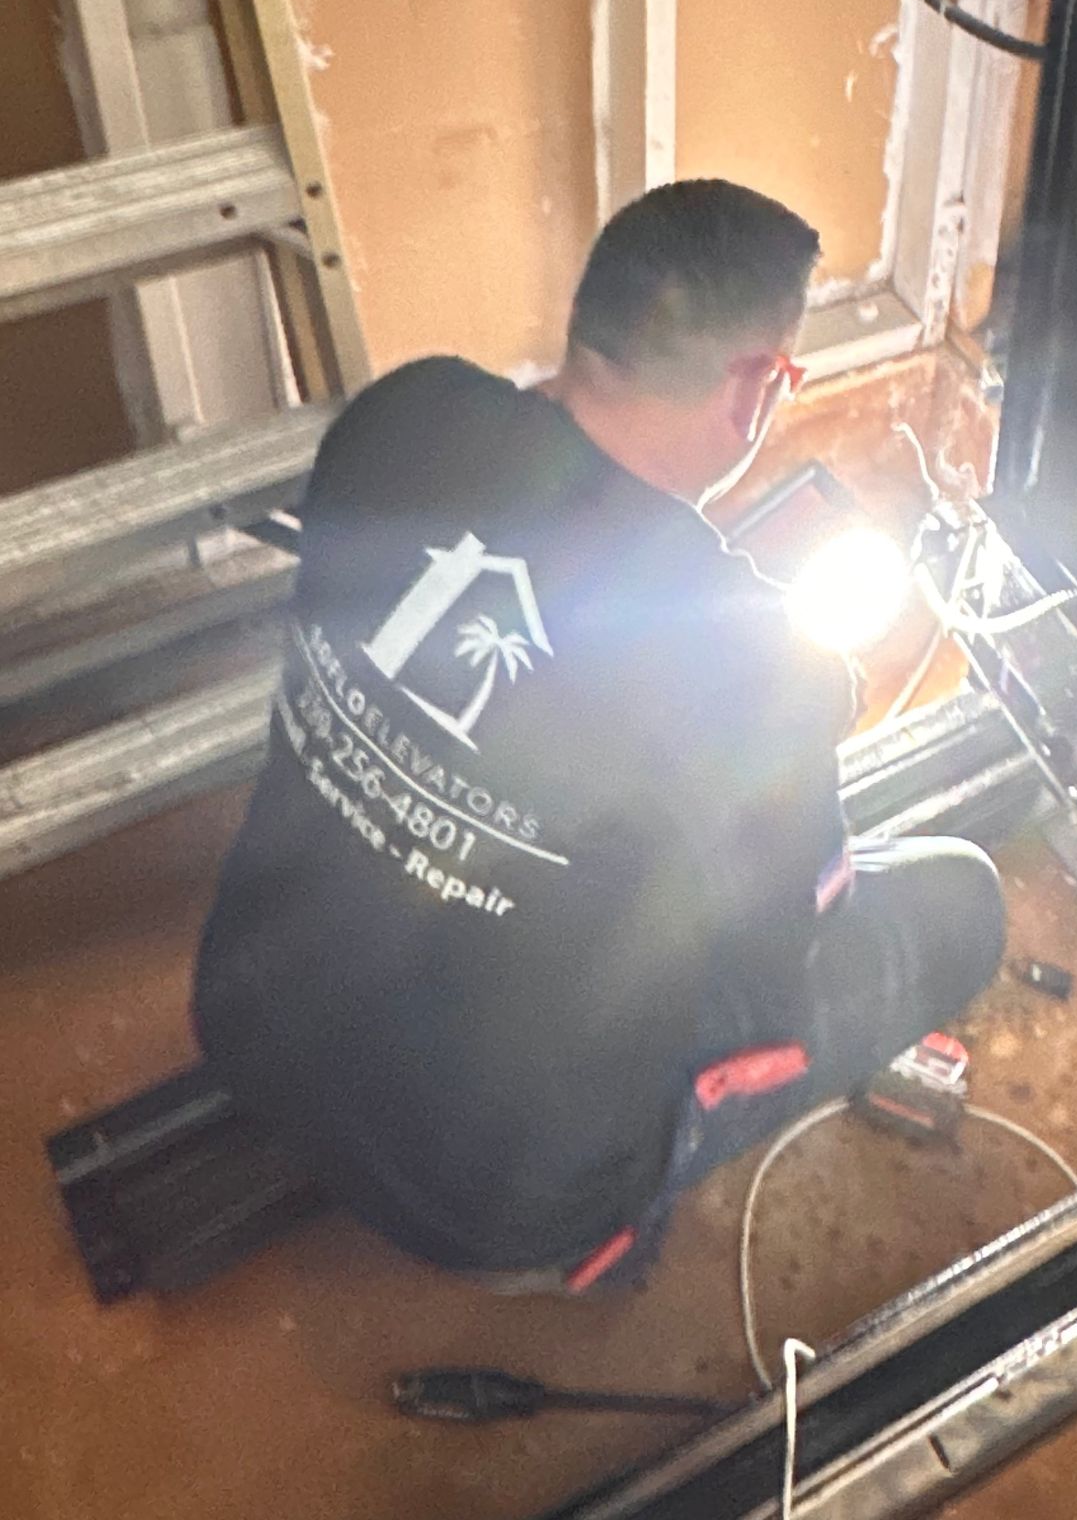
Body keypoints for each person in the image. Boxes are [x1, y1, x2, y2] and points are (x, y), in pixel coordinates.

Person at [192, 178, 1005, 1286]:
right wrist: (797, 722)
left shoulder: (403, 415)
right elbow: (778, 967)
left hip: (247, 1014)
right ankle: (605, 1234)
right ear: (758, 388)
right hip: (496, 1206)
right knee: (962, 902)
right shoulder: (751, 663)